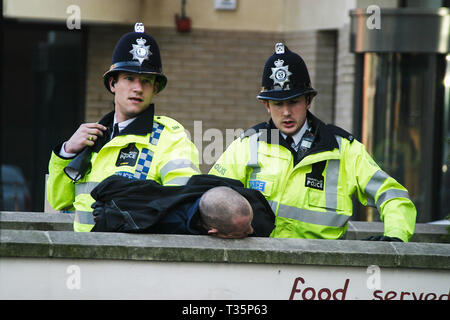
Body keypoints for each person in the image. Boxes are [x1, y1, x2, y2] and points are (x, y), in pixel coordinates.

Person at [209, 43, 417, 242]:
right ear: (266, 105)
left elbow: (392, 195)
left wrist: (395, 236)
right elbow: (212, 196)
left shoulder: (343, 149)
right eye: (278, 104)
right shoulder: (247, 145)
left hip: (320, 271)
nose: (286, 112)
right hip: (258, 265)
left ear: (308, 101)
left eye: (293, 102)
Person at [47, 23, 200, 232]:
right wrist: (67, 152)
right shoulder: (92, 137)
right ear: (112, 84)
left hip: (132, 260)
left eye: (146, 81)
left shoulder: (171, 138)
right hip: (84, 255)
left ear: (155, 88)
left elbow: (183, 206)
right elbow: (59, 201)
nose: (137, 88)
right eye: (129, 78)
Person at [90, 174, 276, 238]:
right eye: (241, 232)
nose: (251, 231)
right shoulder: (161, 216)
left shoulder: (257, 215)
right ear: (213, 231)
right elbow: (107, 187)